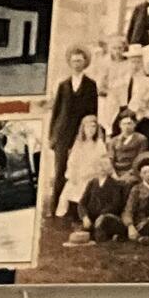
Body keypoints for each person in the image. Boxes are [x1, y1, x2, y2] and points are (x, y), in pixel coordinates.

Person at [48, 45, 98, 210]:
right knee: (60, 169)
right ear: (70, 63)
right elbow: (55, 112)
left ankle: (77, 208)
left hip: (81, 134)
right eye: (74, 60)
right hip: (62, 133)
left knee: (80, 169)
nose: (77, 63)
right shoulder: (63, 85)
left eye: (80, 60)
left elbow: (93, 112)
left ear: (85, 62)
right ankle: (54, 206)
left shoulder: (91, 85)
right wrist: (52, 137)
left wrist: (91, 133)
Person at [54, 111, 111, 231]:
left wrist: (99, 171)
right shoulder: (79, 144)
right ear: (83, 128)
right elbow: (72, 162)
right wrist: (72, 174)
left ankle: (90, 217)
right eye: (88, 127)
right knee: (72, 187)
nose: (91, 130)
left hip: (94, 173)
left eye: (93, 127)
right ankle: (77, 217)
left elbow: (104, 161)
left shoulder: (99, 144)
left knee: (90, 187)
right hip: (80, 173)